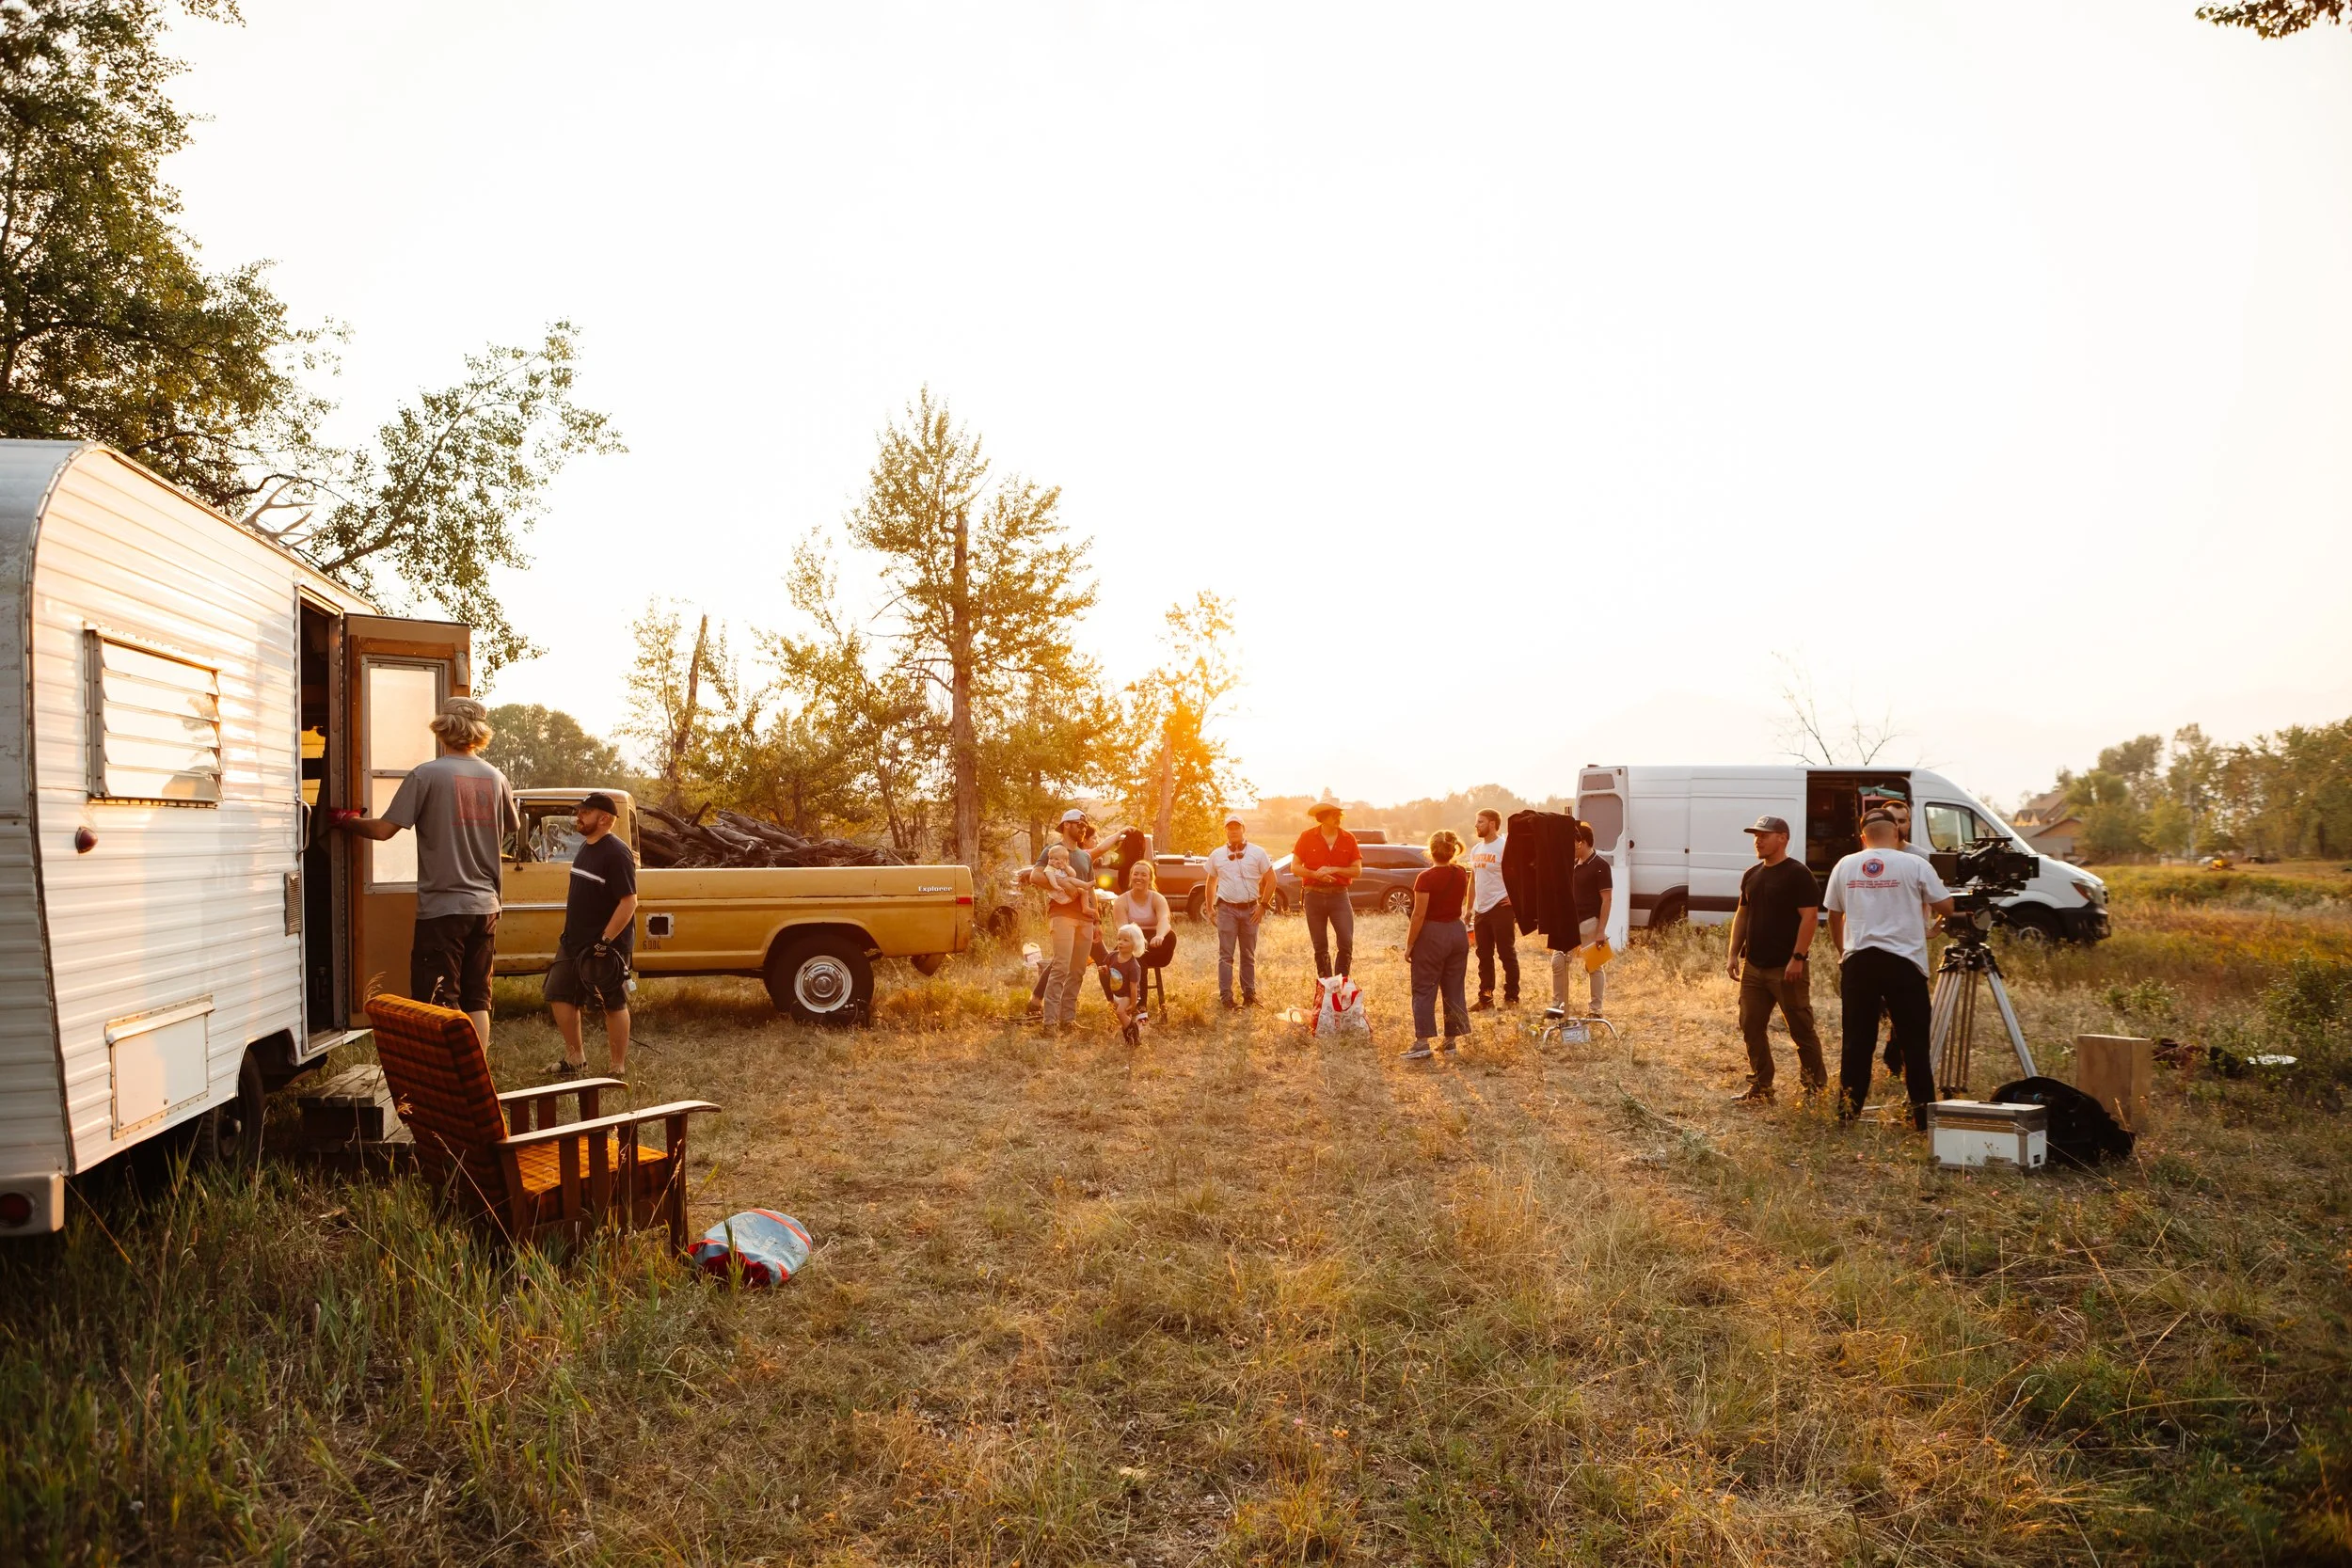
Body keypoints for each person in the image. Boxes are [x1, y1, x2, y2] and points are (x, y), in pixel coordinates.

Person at [335, 696, 518, 1048]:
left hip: (443, 908)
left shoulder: (427, 774)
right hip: (486, 907)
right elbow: (509, 824)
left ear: (443, 729)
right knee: (477, 995)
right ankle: (477, 1074)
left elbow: (385, 830)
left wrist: (348, 821)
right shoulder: (496, 778)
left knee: (439, 998)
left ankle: (451, 1079)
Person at [1824, 811, 1956, 1128]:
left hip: (1859, 962)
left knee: (1857, 1040)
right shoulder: (1915, 864)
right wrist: (1934, 922)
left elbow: (1833, 914)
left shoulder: (1845, 865)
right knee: (1914, 1042)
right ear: (1897, 833)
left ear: (1863, 837)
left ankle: (1847, 1113)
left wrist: (1844, 952)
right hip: (1904, 962)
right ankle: (1923, 1115)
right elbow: (1947, 907)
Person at [1724, 815, 1826, 1102]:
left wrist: (1798, 957)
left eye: (1764, 835)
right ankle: (1761, 1085)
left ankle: (1815, 1089)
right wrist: (1733, 953)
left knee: (1801, 1028)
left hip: (1787, 967)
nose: (1758, 840)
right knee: (1751, 1025)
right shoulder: (1752, 874)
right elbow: (1742, 913)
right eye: (1756, 835)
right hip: (1754, 967)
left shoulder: (1798, 874)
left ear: (1782, 838)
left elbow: (1809, 917)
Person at [543, 793, 639, 1081]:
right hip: (573, 941)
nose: (578, 817)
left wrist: (605, 941)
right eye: (579, 811)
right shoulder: (586, 848)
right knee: (558, 994)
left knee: (613, 1003)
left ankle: (616, 1068)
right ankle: (576, 1059)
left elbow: (629, 902)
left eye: (586, 812)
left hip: (604, 947)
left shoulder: (616, 852)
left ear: (605, 819)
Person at [1019, 808, 1094, 1030]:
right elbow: (1035, 876)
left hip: (1085, 919)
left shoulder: (1085, 856)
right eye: (1079, 825)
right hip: (1061, 915)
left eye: (1085, 826)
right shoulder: (1052, 851)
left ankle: (1068, 1020)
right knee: (1061, 967)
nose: (1083, 829)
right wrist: (1065, 884)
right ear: (1066, 825)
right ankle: (1050, 1022)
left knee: (1078, 970)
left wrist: (1096, 920)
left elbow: (1091, 890)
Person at [1403, 829, 1473, 1061]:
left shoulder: (1426, 878)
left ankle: (1422, 1041)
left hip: (1433, 934)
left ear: (1431, 851)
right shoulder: (1461, 872)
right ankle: (1451, 1041)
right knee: (1454, 987)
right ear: (1453, 850)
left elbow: (1418, 915)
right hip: (1456, 932)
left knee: (1424, 987)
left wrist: (1410, 944)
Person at [1210, 813, 1275, 1008]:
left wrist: (1263, 906)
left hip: (1250, 910)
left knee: (1248, 955)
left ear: (1243, 829)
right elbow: (1210, 881)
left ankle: (1249, 995)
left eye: (1237, 827)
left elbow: (1272, 880)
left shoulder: (1258, 852)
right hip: (1226, 909)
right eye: (1230, 827)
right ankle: (1227, 998)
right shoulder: (1217, 854)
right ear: (1226, 831)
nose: (1233, 830)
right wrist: (1210, 907)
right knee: (1226, 956)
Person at [1292, 801, 1362, 979]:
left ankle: (1341, 983)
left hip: (1339, 896)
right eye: (1334, 815)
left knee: (1346, 942)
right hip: (1313, 895)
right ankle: (1326, 986)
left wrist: (1334, 869)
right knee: (1320, 945)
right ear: (1322, 818)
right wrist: (1315, 874)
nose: (1339, 818)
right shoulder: (1306, 837)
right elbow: (1295, 867)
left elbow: (1357, 871)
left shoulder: (1349, 838)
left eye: (1340, 815)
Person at [1552, 821, 1613, 1016]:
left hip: (1589, 922)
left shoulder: (1600, 866)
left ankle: (1596, 1009)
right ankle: (1558, 1005)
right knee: (1558, 962)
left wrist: (1601, 930)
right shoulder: (1572, 865)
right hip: (1569, 923)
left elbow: (1607, 899)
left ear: (1582, 842)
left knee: (1594, 966)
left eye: (1572, 844)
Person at [1466, 809, 1518, 1010]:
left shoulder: (1504, 847)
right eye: (1476, 821)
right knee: (1483, 955)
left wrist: (1513, 899)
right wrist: (1469, 907)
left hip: (1501, 908)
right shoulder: (1476, 849)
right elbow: (1473, 879)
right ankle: (1485, 999)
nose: (1476, 825)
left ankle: (1512, 997)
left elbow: (1519, 875)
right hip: (1481, 910)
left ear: (1493, 824)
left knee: (1506, 954)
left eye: (1480, 821)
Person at [1114, 860, 1176, 1020]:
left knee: (1170, 936)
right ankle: (1138, 1008)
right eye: (1135, 874)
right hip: (1132, 943)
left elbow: (1164, 920)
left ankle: (1138, 1007)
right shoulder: (1121, 900)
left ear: (1150, 879)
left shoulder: (1157, 898)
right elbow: (1122, 929)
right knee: (1136, 957)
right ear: (1130, 877)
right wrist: (1136, 944)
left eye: (1143, 874)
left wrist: (1159, 935)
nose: (1139, 877)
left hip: (1157, 946)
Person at [1095, 922, 1149, 1047]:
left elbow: (1134, 988)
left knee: (1120, 1013)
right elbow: (1109, 968)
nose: (1120, 942)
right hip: (1117, 992)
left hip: (1128, 994)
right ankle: (1130, 1036)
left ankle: (1133, 1033)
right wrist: (1104, 969)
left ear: (1135, 945)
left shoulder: (1134, 966)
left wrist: (1133, 1003)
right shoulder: (1113, 956)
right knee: (1122, 1015)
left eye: (1125, 940)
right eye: (1119, 939)